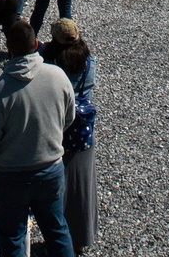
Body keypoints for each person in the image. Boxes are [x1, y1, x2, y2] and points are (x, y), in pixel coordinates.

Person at [0, 20, 76, 257]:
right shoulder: (58, 76)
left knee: (12, 238)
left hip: (11, 176)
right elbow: (69, 117)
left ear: (9, 48)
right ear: (35, 44)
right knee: (56, 229)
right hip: (51, 168)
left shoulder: (0, 89)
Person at [42, 19, 98, 256]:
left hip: (57, 127)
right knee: (81, 186)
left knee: (55, 187)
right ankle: (81, 237)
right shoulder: (88, 62)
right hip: (82, 130)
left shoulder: (52, 63)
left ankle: (57, 237)